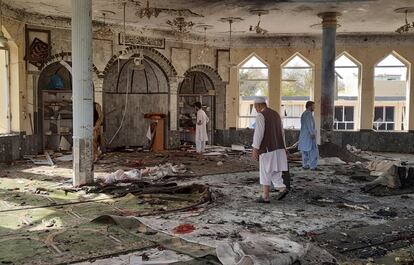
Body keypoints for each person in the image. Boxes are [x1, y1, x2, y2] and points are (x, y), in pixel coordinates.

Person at [252, 96, 289, 203]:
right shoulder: (276, 114)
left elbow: (258, 133)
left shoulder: (261, 115)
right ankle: (282, 188)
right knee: (275, 170)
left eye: (255, 107)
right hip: (279, 147)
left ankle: (265, 196)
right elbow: (282, 132)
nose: (255, 109)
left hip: (268, 149)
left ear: (258, 105)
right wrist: (285, 147)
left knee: (265, 171)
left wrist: (255, 148)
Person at [298, 101, 319, 170]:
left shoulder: (304, 113)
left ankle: (305, 165)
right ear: (310, 106)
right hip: (309, 135)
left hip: (304, 136)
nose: (314, 107)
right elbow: (309, 124)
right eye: (313, 106)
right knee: (313, 151)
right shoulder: (308, 114)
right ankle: (313, 166)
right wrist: (312, 133)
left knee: (305, 151)